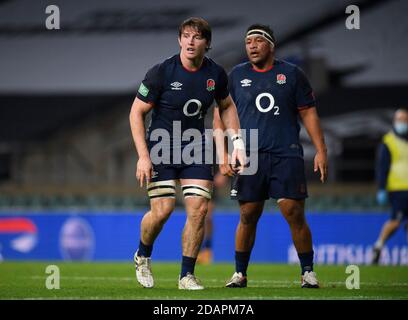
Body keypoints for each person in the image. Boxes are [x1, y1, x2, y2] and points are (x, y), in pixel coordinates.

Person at [129, 17, 245, 290]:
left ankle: (186, 275)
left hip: (195, 147)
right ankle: (142, 255)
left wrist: (237, 143)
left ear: (207, 43)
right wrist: (143, 156)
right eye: (186, 36)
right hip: (161, 145)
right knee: (163, 210)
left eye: (197, 37)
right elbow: (136, 112)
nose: (191, 41)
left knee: (199, 209)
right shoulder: (162, 72)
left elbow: (226, 106)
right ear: (180, 40)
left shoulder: (215, 74)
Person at [214, 24, 328, 288]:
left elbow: (309, 113)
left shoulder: (292, 74)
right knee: (248, 214)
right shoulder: (236, 75)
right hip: (249, 155)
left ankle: (308, 272)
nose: (252, 45)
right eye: (248, 42)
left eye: (258, 40)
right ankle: (239, 273)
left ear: (271, 45)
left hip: (285, 153)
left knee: (293, 211)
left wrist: (321, 150)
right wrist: (224, 153)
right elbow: (220, 116)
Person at [372, 108, 408, 265]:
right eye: (400, 120)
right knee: (396, 221)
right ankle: (378, 245)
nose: (402, 123)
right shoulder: (389, 141)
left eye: (405, 120)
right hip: (398, 188)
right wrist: (381, 188)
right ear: (394, 121)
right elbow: (382, 166)